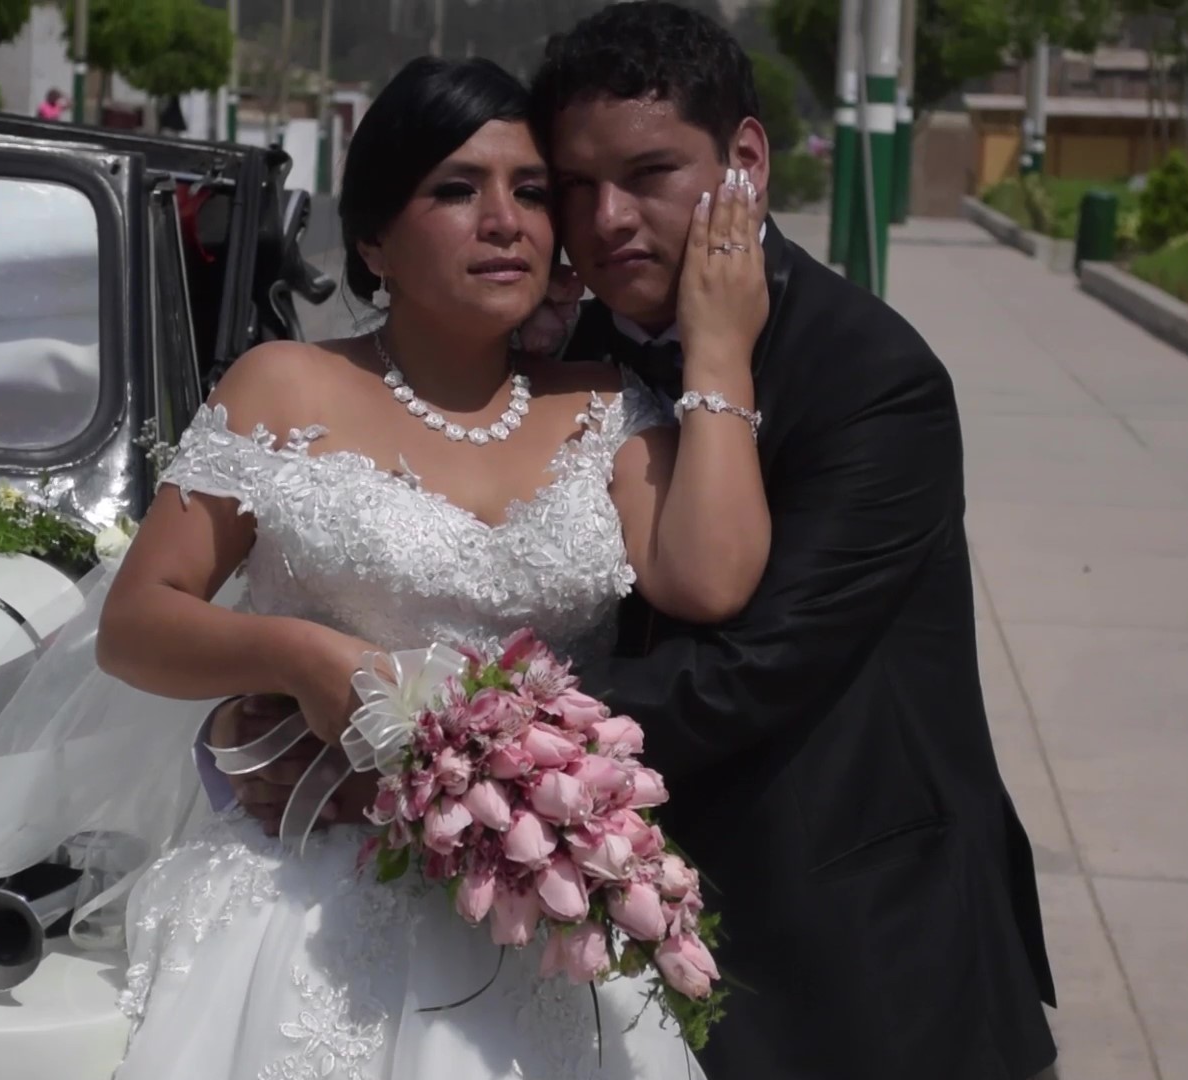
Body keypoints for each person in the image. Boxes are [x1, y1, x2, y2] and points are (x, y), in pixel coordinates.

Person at [207, 5, 1061, 1079]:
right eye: (574, 184)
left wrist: (406, 739)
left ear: (746, 161)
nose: (606, 219)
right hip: (564, 929)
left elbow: (741, 677)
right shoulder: (564, 349)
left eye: (651, 174)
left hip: (855, 954)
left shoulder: (872, 381)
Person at [90, 53, 771, 1079]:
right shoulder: (285, 386)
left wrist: (718, 350)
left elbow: (709, 580)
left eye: (530, 193)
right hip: (308, 902)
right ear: (373, 237)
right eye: (456, 190)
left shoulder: (604, 407)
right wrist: (303, 659)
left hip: (538, 906)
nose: (505, 222)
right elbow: (135, 623)